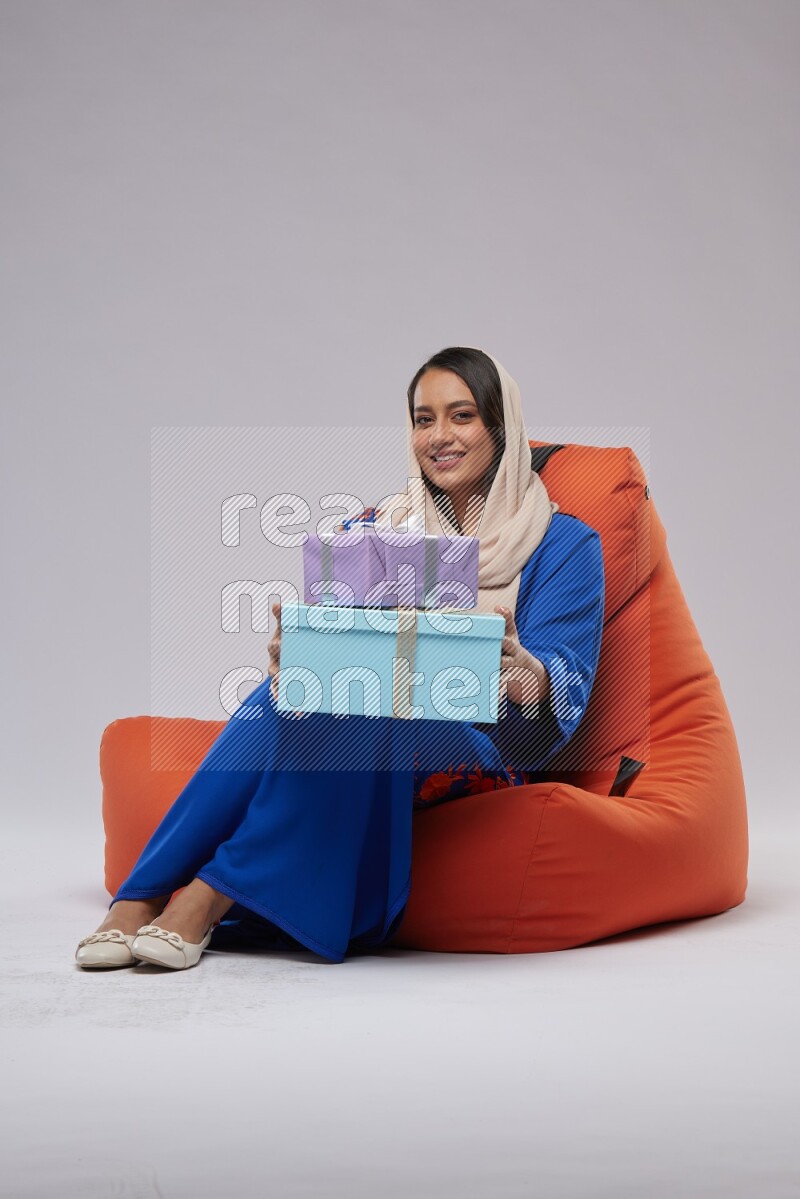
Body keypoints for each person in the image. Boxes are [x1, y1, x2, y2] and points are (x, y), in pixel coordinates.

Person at [74, 347, 605, 971]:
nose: (439, 436)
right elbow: (338, 655)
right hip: (367, 720)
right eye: (422, 418)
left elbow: (560, 701)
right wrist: (297, 652)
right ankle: (138, 901)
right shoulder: (377, 528)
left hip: (482, 742)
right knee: (293, 693)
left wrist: (527, 675)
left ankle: (201, 895)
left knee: (361, 702)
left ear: (500, 425)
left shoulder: (565, 541)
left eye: (461, 415)